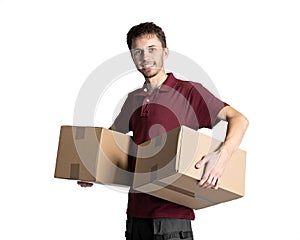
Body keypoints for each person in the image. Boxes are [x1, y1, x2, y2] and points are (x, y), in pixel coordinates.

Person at [78, 22, 249, 240]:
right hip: (135, 217)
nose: (145, 57)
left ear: (165, 53)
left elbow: (239, 119)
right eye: (137, 52)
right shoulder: (133, 100)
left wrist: (222, 156)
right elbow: (111, 142)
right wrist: (91, 171)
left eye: (152, 49)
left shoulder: (189, 91)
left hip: (172, 218)